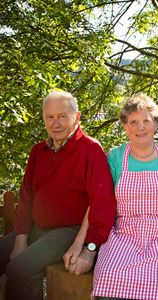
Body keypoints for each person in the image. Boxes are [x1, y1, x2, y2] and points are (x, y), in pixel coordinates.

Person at [0, 90, 116, 300]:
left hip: (69, 231)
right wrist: (20, 239)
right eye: (50, 117)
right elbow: (26, 197)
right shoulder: (38, 152)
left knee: (20, 268)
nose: (56, 123)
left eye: (62, 116)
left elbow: (102, 203)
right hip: (37, 228)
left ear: (76, 117)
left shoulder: (91, 150)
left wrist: (90, 248)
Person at [92, 93, 158, 300]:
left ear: (155, 124)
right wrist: (88, 245)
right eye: (133, 122)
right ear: (125, 126)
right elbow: (100, 202)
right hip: (123, 237)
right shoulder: (115, 157)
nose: (141, 127)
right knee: (107, 279)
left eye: (146, 121)